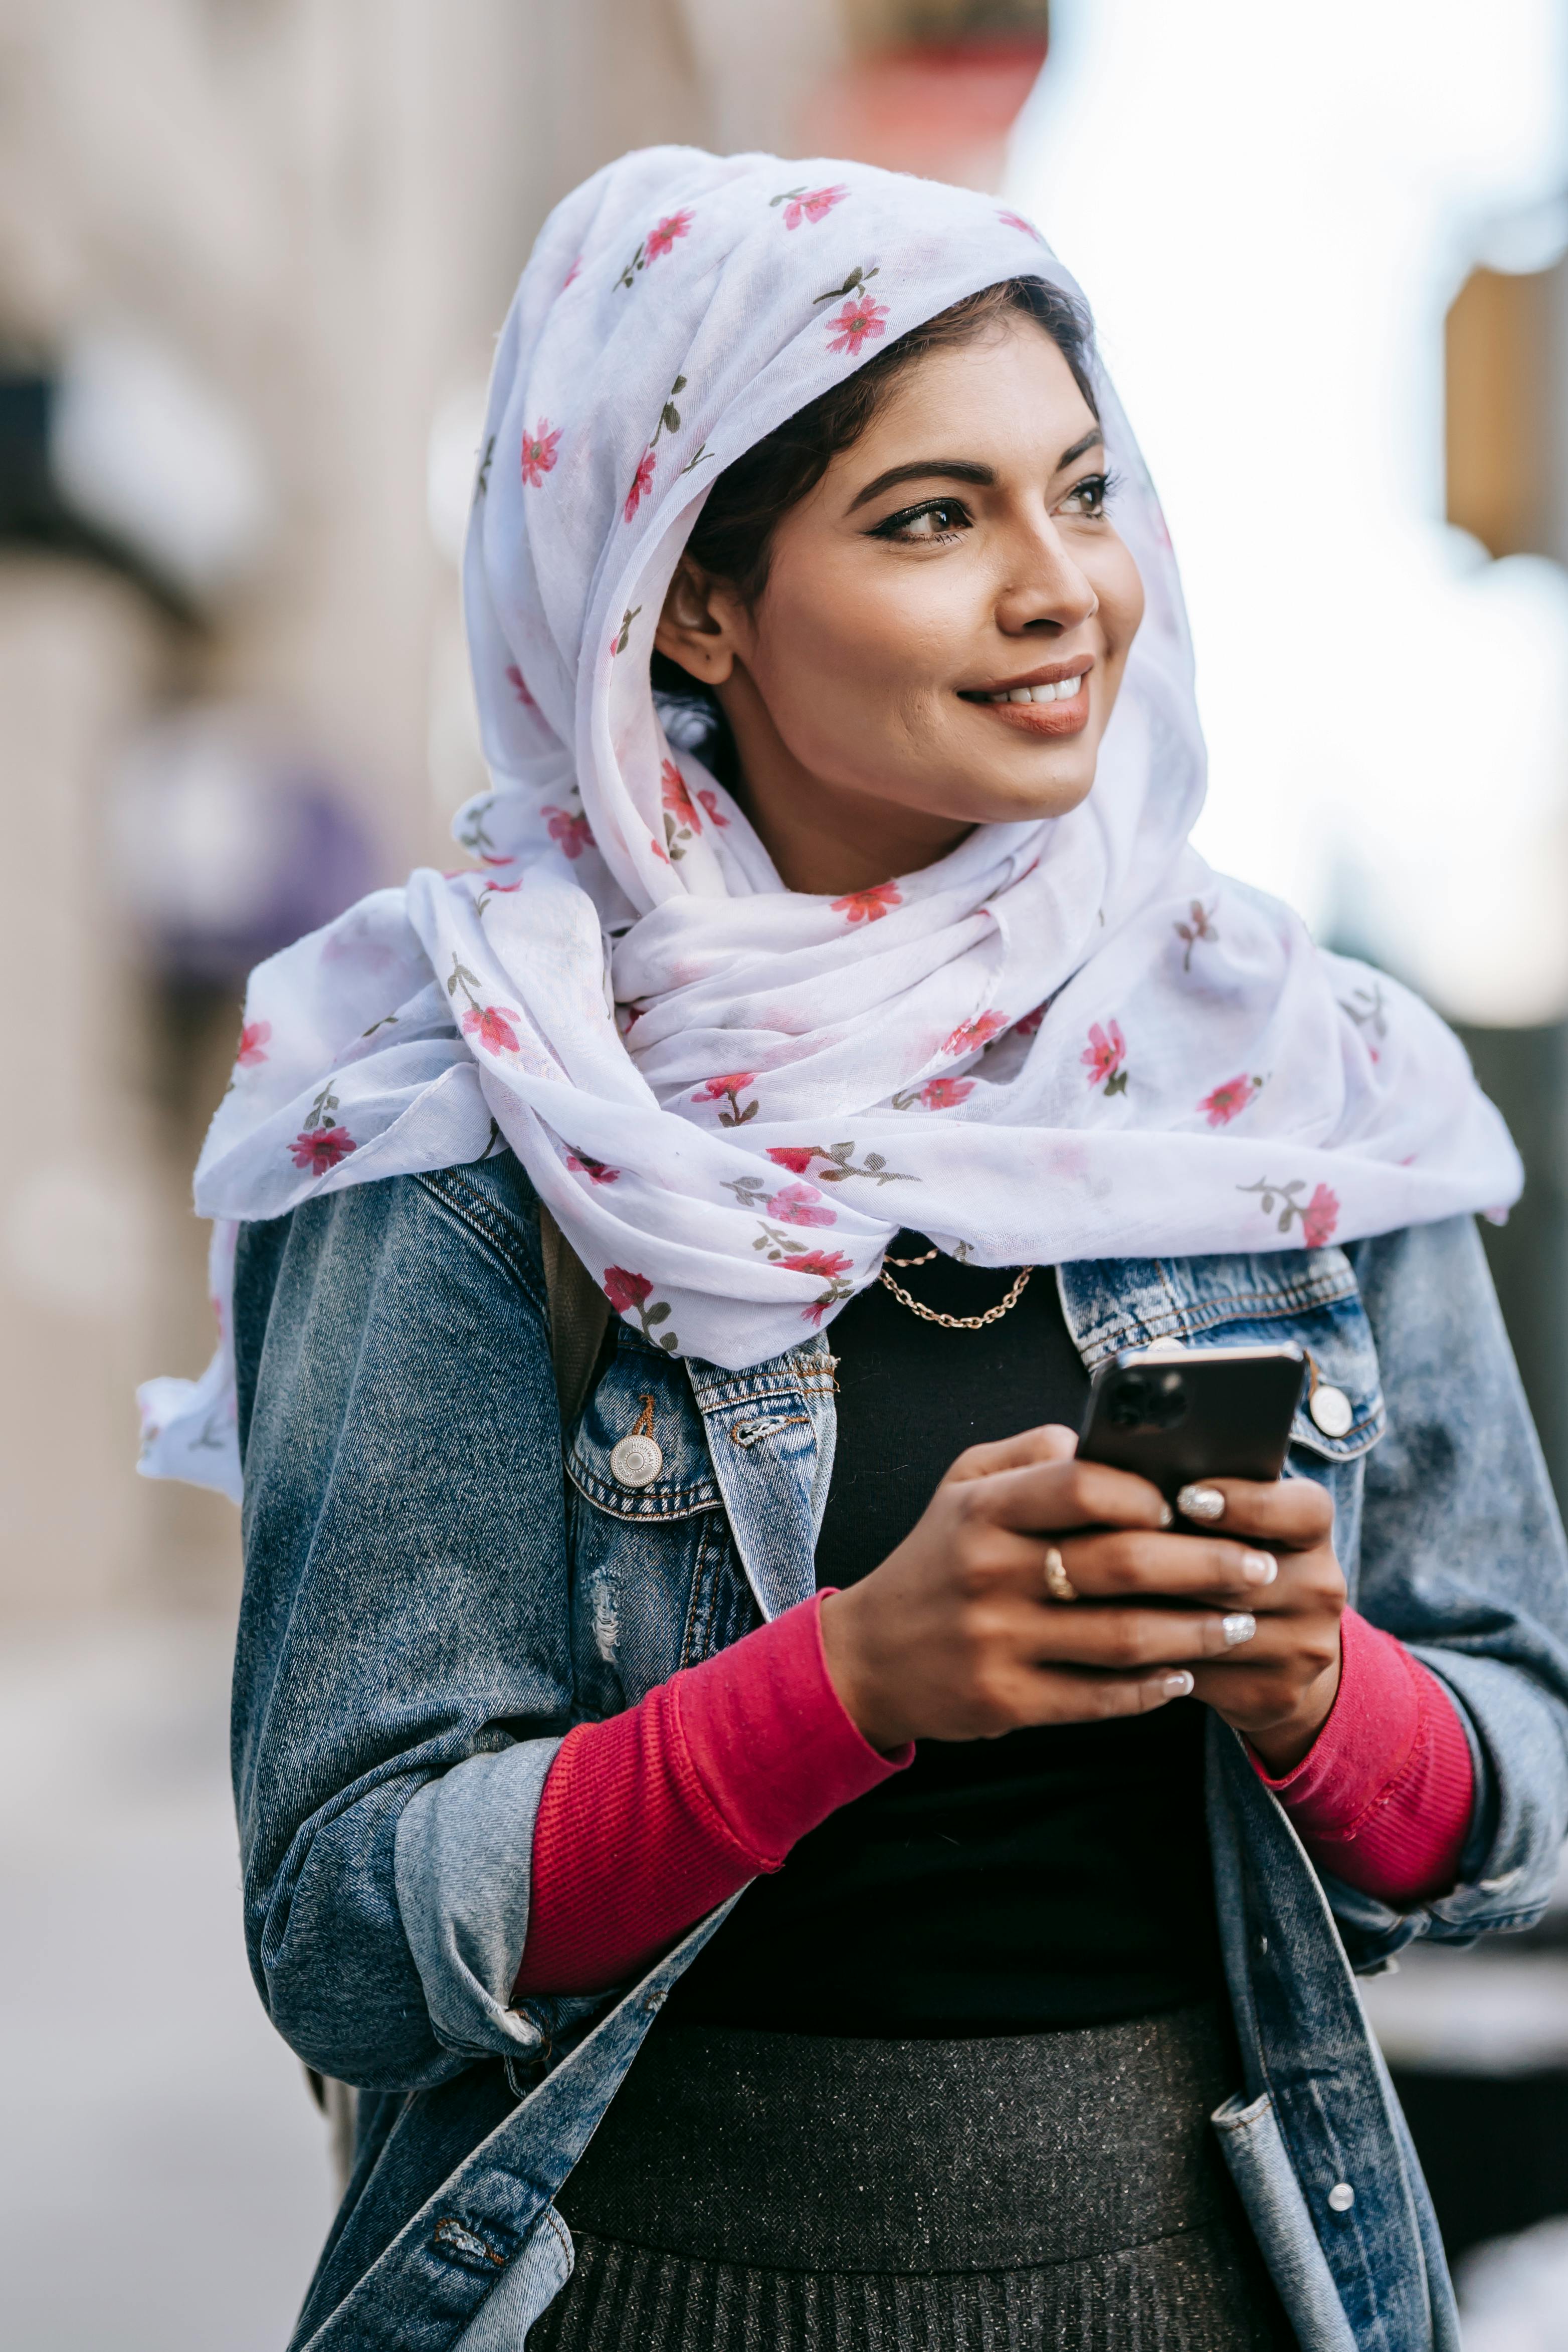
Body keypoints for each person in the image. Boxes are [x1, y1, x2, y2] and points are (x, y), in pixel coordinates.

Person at [141, 148, 1568, 2351]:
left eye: (1076, 493)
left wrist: (1315, 1688)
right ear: (683, 600)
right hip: (630, 2290)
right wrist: (839, 1688)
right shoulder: (461, 1091)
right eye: (930, 518)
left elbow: (1523, 1793)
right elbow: (342, 1922)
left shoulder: (1295, 1078)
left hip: (1220, 2287)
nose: (1060, 590)